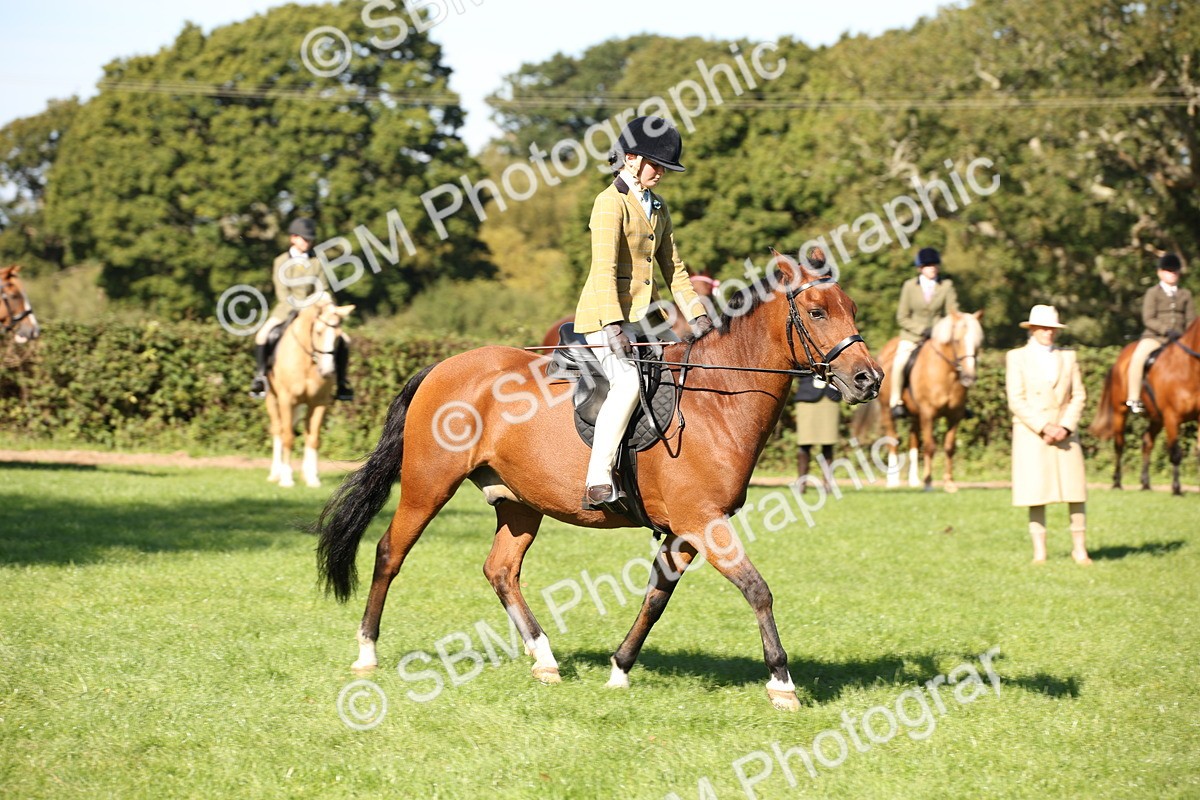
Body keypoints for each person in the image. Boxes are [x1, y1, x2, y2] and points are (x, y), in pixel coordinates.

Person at [574, 116, 712, 506]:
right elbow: (602, 269)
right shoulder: (609, 203)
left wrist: (699, 314)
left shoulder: (658, 206)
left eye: (665, 168)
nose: (662, 174)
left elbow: (675, 268)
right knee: (629, 383)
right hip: (605, 317)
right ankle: (597, 477)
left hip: (645, 321)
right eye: (657, 165)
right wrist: (614, 323)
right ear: (631, 158)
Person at [1005, 305, 1090, 565]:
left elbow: (1079, 395)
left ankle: (1080, 549)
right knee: (1035, 493)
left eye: (1052, 328)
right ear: (1032, 329)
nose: (1048, 333)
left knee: (1075, 493)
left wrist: (1064, 426)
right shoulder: (1016, 357)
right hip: (1033, 432)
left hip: (1065, 432)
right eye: (1043, 328)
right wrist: (1043, 426)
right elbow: (1016, 399)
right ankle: (1039, 552)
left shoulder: (1069, 357)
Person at [249, 218, 354, 402]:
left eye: (310, 239)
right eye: (305, 239)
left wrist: (327, 303)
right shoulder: (280, 261)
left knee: (344, 339)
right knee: (263, 335)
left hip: (315, 312)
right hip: (286, 309)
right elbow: (282, 293)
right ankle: (260, 378)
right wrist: (305, 307)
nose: (308, 242)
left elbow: (323, 288)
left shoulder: (316, 261)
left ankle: (342, 382)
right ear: (293, 238)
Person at [889, 247, 959, 418]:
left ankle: (960, 404)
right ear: (920, 267)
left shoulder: (946, 286)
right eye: (928, 265)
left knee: (961, 362)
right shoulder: (909, 286)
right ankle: (896, 400)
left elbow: (953, 312)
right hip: (912, 336)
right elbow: (902, 317)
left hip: (938, 335)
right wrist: (922, 330)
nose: (932, 268)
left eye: (934, 265)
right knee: (899, 363)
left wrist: (940, 329)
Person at [1124, 253, 1195, 414]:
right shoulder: (1153, 292)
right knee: (1138, 358)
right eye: (1169, 271)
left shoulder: (1185, 294)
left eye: (1175, 271)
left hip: (1180, 339)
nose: (1172, 274)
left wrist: (1185, 335)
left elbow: (1191, 319)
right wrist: (1166, 330)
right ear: (1160, 273)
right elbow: (1148, 318)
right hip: (1155, 337)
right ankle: (1134, 398)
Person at [794, 373, 841, 493]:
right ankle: (801, 484)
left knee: (828, 444)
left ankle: (827, 484)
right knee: (804, 444)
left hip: (830, 396)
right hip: (807, 394)